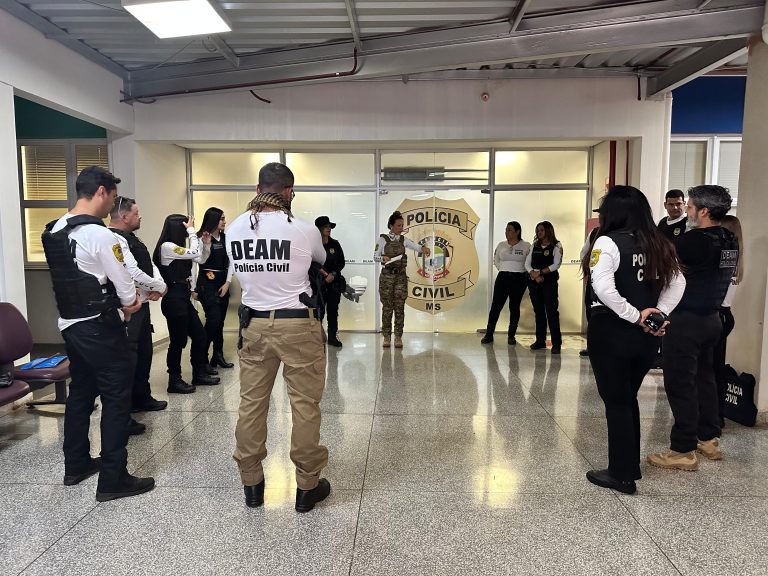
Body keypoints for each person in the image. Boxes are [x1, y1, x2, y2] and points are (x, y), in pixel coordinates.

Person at [42, 166, 155, 502]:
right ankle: (113, 478)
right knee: (116, 399)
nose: (113, 206)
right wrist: (132, 302)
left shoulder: (55, 229)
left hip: (71, 325)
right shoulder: (101, 235)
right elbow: (124, 288)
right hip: (101, 327)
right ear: (102, 192)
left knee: (81, 393)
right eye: (112, 197)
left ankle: (75, 465)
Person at [227, 162, 331, 513]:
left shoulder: (235, 229)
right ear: (289, 192)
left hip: (254, 326)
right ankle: (306, 486)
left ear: (257, 189)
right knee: (304, 405)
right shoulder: (303, 230)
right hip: (298, 325)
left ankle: (252, 484)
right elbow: (318, 260)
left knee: (251, 404)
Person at [582, 186, 685, 494]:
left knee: (616, 400)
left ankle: (621, 475)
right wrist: (658, 315)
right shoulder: (659, 242)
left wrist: (635, 315)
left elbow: (603, 288)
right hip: (646, 338)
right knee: (626, 398)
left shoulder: (607, 242)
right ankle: (627, 466)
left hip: (613, 333)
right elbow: (678, 282)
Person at [648, 185, 738, 471]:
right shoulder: (729, 237)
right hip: (713, 318)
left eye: (690, 206)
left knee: (680, 383)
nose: (686, 210)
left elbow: (662, 267)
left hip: (686, 320)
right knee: (705, 377)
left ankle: (682, 449)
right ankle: (708, 438)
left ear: (704, 211)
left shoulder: (694, 241)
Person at [109, 196, 168, 424]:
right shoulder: (114, 239)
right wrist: (160, 287)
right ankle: (126, 411)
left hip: (142, 305)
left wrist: (158, 285)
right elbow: (131, 272)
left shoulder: (132, 238)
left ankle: (142, 397)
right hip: (128, 310)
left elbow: (150, 265)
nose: (139, 216)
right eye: (136, 213)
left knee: (144, 354)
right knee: (129, 360)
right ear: (124, 216)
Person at [152, 214, 220, 394]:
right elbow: (195, 253)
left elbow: (200, 258)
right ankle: (174, 380)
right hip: (174, 298)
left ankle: (198, 373)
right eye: (185, 228)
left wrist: (205, 244)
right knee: (178, 341)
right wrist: (192, 232)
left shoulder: (177, 248)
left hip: (182, 297)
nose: (188, 231)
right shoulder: (167, 247)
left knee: (199, 335)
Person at [374, 210, 430, 349]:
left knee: (399, 307)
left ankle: (398, 336)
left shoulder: (403, 240)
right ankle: (386, 336)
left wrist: (423, 249)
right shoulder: (382, 240)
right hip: (387, 277)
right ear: (391, 225)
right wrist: (383, 258)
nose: (401, 228)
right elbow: (375, 256)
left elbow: (415, 246)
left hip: (400, 277)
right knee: (387, 307)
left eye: (402, 225)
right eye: (399, 225)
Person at [195, 207, 234, 369]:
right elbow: (199, 262)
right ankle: (201, 357)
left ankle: (218, 355)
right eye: (221, 219)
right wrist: (193, 288)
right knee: (213, 320)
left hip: (223, 283)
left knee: (220, 322)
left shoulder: (227, 238)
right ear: (213, 220)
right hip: (207, 283)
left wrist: (228, 282)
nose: (224, 222)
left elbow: (232, 261)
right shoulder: (200, 238)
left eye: (224, 219)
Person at [481, 221, 530, 346]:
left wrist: (521, 271)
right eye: (506, 230)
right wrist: (502, 268)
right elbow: (496, 259)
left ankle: (511, 336)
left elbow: (529, 261)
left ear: (517, 231)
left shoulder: (526, 245)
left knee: (514, 306)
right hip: (503, 277)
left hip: (519, 278)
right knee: (496, 305)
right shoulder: (501, 245)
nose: (506, 232)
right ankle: (489, 334)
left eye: (509, 230)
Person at [714, 215, 743, 426]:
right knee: (715, 368)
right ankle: (716, 415)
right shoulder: (736, 259)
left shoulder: (725, 260)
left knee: (712, 369)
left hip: (718, 314)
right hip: (725, 315)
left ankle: (715, 417)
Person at [525, 221, 563, 354]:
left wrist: (540, 272)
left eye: (541, 230)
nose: (539, 233)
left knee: (551, 312)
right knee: (539, 312)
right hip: (534, 282)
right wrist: (534, 275)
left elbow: (556, 264)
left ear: (548, 230)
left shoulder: (556, 246)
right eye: (537, 230)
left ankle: (556, 344)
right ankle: (540, 341)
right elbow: (527, 263)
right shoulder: (533, 246)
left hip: (549, 282)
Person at [315, 215, 346, 348]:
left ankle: (332, 337)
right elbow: (311, 263)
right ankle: (318, 338)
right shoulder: (314, 245)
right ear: (319, 229)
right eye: (326, 227)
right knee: (319, 312)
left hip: (334, 283)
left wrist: (333, 274)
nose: (329, 229)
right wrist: (324, 274)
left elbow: (341, 262)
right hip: (319, 284)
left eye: (329, 227)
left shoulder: (335, 244)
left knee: (333, 311)